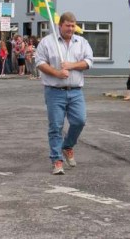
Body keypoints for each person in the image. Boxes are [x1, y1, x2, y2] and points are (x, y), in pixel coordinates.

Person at [35, 12, 94, 175]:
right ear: (60, 25)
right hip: (54, 91)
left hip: (75, 91)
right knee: (56, 126)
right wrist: (56, 73)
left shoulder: (81, 42)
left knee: (80, 121)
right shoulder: (47, 42)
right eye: (67, 25)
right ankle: (57, 160)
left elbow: (89, 61)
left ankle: (67, 146)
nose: (70, 28)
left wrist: (71, 65)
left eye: (73, 25)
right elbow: (39, 62)